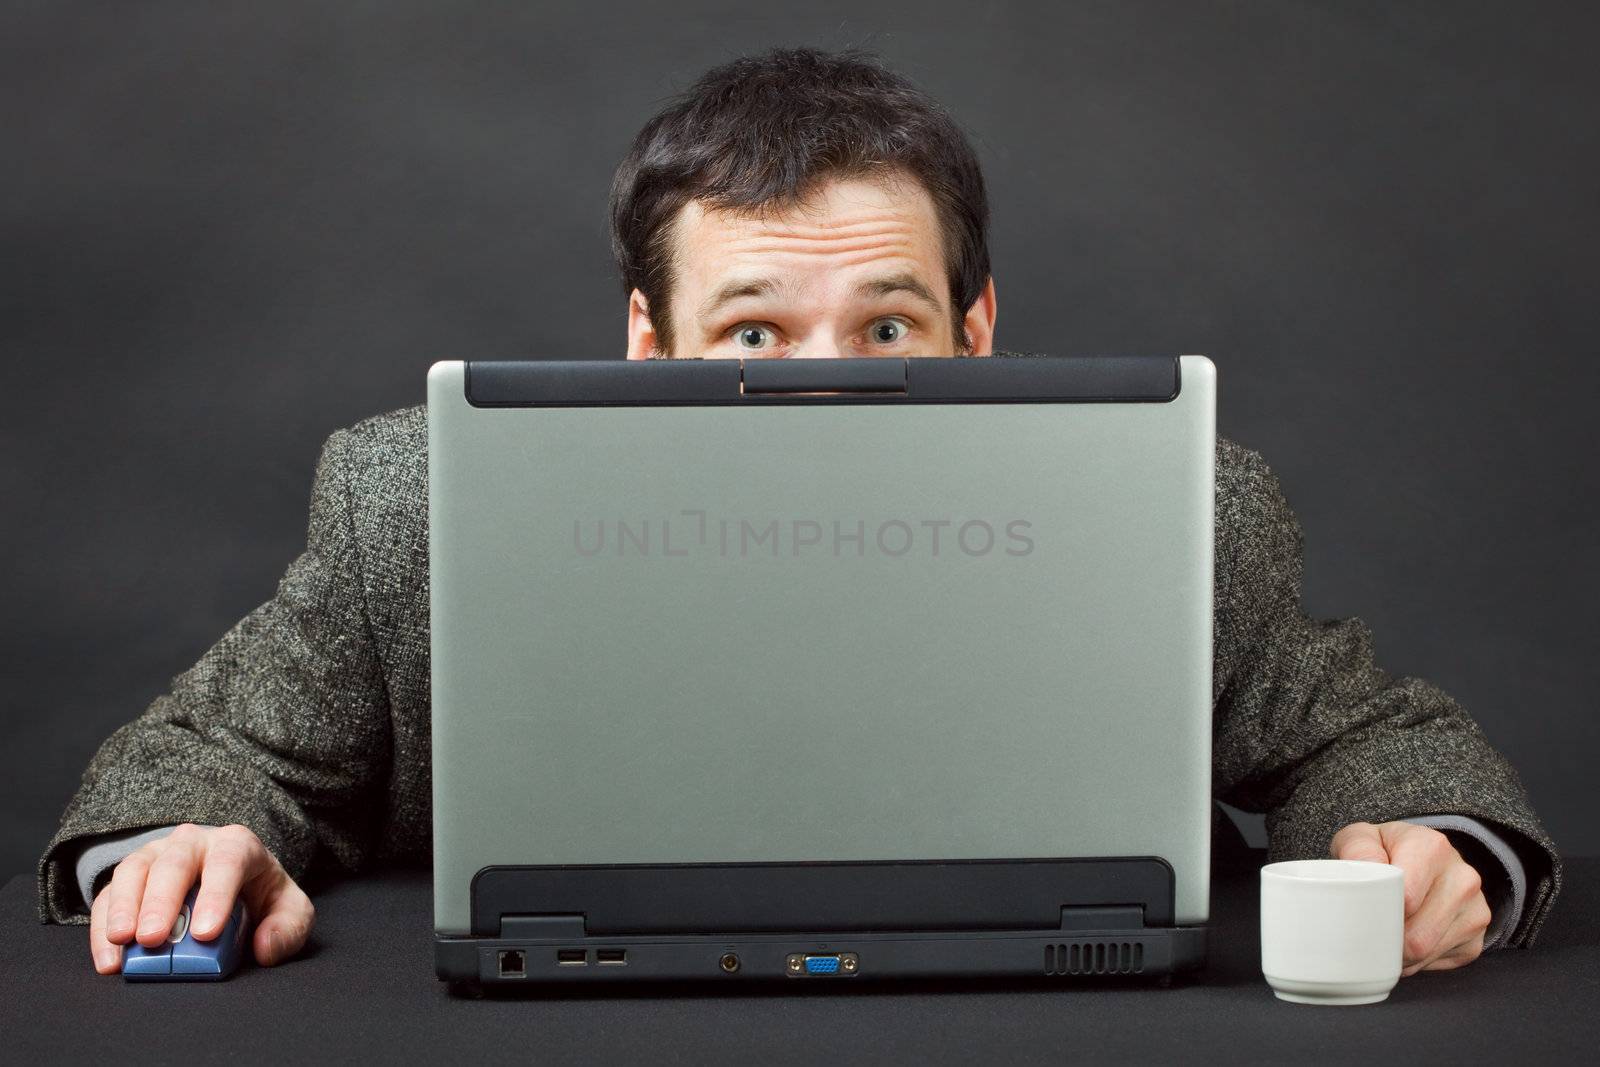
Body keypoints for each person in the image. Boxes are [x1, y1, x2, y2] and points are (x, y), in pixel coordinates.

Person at [40, 47, 1559, 979]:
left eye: (887, 325)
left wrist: (1427, 846)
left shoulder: (1176, 508)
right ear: (653, 343)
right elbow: (203, 751)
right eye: (756, 333)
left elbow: (1377, 743)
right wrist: (188, 842)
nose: (829, 386)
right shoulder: (419, 498)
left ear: (975, 331)